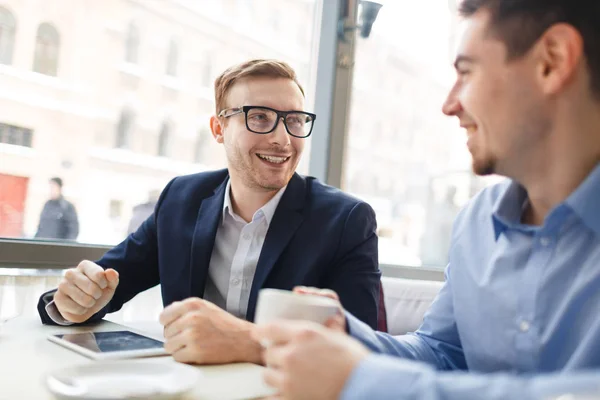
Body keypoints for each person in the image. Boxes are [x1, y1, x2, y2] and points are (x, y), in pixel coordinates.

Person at [254, 1, 600, 399]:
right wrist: (346, 336)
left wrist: (360, 382)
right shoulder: (477, 224)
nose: (450, 104)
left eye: (466, 73)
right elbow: (442, 352)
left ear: (552, 62)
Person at [37, 59, 382, 365]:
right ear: (219, 129)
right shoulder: (181, 199)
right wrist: (71, 303)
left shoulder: (346, 221)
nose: (282, 138)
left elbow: (363, 351)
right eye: (260, 117)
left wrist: (249, 343)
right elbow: (109, 283)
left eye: (294, 120)